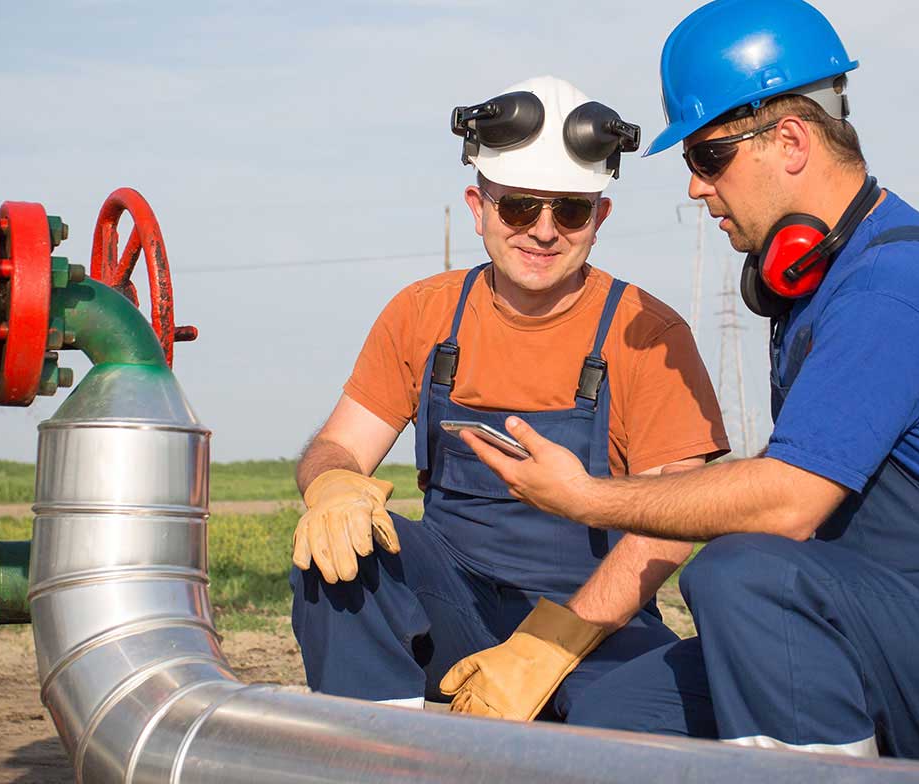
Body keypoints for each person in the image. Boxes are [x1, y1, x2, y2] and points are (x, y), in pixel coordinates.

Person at [456, 1, 919, 767]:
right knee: (609, 723)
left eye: (708, 157)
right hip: (884, 615)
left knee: (746, 574)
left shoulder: (893, 289)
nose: (695, 189)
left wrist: (587, 498)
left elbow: (788, 503)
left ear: (789, 139)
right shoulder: (824, 283)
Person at [289, 75, 729, 723]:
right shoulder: (423, 314)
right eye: (520, 206)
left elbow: (669, 530)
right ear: (479, 207)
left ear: (599, 218)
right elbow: (339, 446)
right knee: (341, 559)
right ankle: (378, 755)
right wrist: (329, 484)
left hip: (594, 621)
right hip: (454, 599)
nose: (544, 231)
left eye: (571, 210)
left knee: (622, 721)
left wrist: (549, 646)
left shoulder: (648, 333)